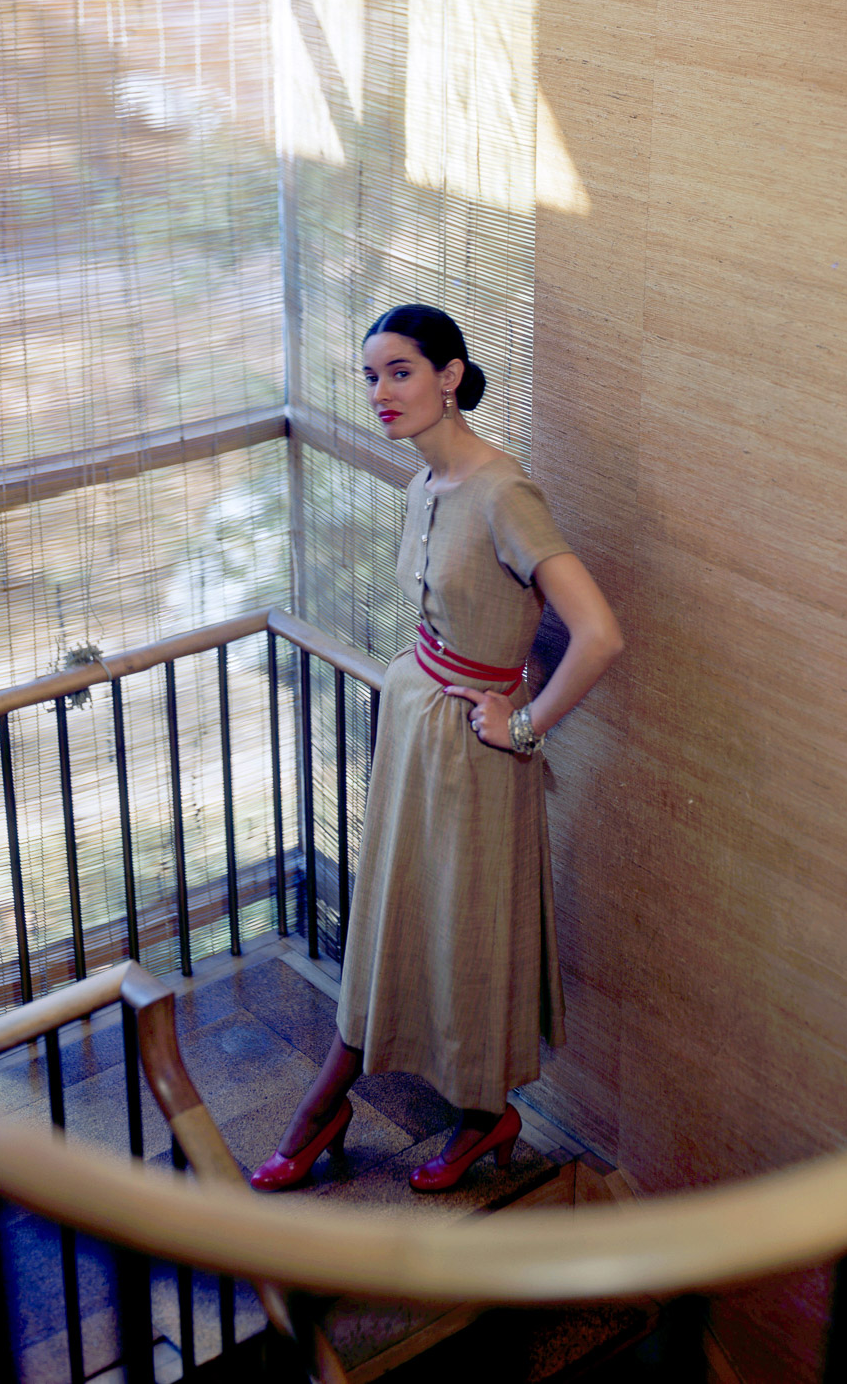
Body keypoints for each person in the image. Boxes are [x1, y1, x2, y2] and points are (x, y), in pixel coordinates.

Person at [250, 304, 622, 1194]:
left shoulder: (505, 493)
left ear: (451, 375)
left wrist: (524, 724)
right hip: (418, 723)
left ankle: (445, 1112)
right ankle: (395, 1105)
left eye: (401, 372)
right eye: (370, 376)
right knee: (393, 918)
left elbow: (599, 633)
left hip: (474, 752)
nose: (381, 392)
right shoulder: (422, 483)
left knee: (463, 933)